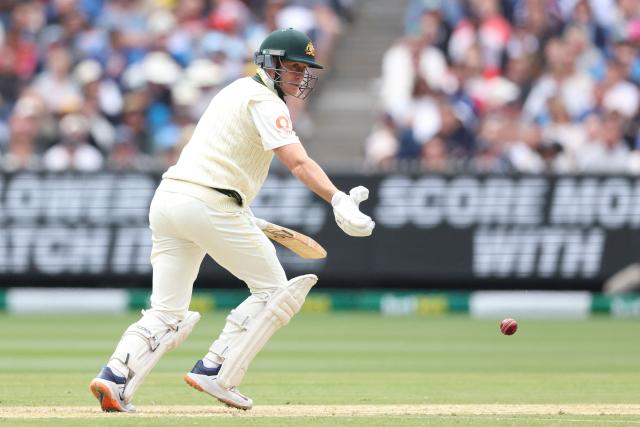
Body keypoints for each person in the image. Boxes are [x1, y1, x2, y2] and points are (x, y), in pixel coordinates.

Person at [88, 28, 375, 413]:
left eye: (303, 69)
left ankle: (114, 377)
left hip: (171, 199)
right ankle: (216, 370)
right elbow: (298, 162)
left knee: (166, 310)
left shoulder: (234, 90)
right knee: (276, 292)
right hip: (209, 203)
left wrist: (238, 209)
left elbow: (222, 155)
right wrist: (337, 198)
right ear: (270, 63)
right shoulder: (266, 101)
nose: (299, 76)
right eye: (292, 67)